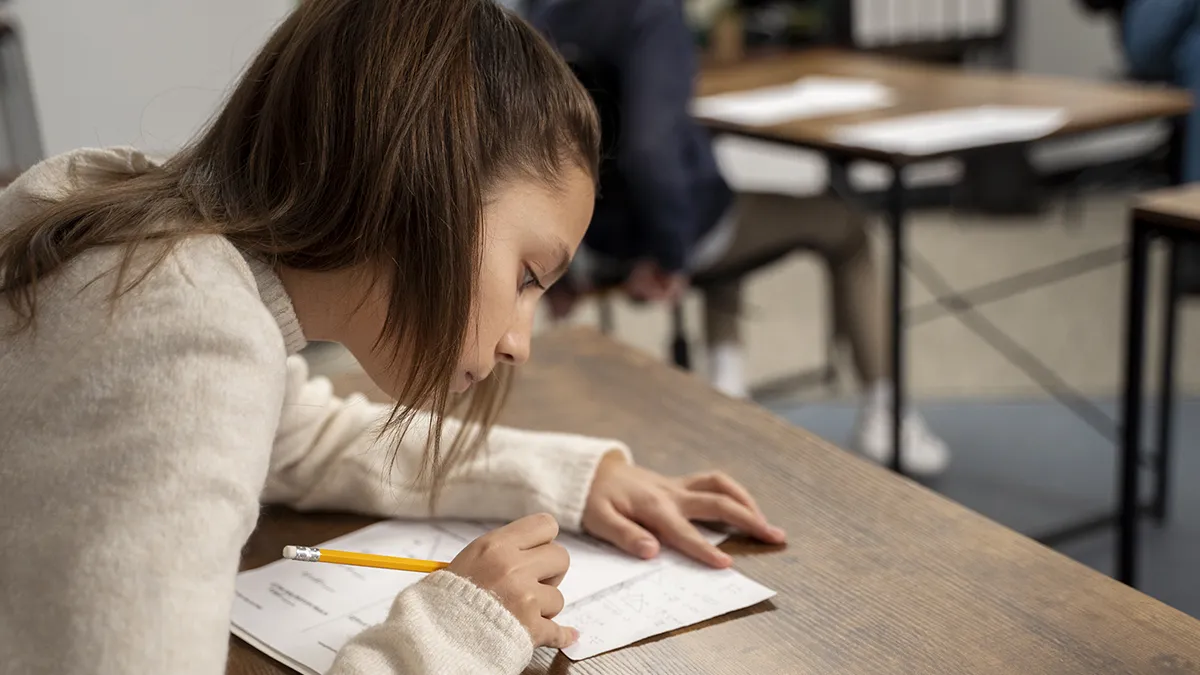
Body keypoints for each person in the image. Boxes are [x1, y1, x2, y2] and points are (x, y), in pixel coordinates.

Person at [0, 2, 787, 673]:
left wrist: (577, 479)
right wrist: (453, 632)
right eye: (524, 276)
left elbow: (295, 439)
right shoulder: (187, 332)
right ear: (420, 183)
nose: (521, 342)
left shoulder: (152, 238)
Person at [519, 0, 949, 475]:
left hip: (593, 239)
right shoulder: (652, 13)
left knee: (718, 200)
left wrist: (565, 265)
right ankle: (885, 414)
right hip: (662, 241)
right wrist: (671, 259)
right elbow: (648, 151)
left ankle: (728, 385)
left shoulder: (543, 12)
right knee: (845, 227)